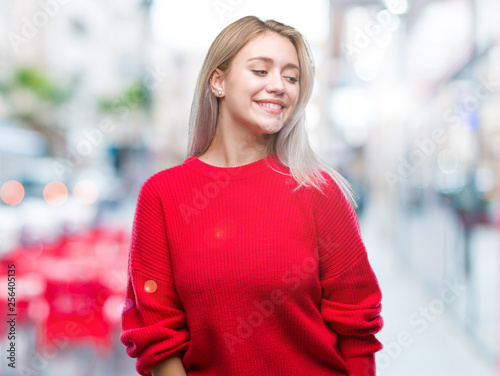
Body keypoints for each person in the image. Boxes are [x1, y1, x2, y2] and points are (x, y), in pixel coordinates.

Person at [120, 15, 384, 376]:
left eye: (291, 77)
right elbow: (156, 332)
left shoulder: (320, 193)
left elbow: (357, 327)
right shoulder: (163, 195)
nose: (279, 86)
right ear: (218, 81)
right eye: (261, 71)